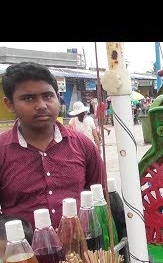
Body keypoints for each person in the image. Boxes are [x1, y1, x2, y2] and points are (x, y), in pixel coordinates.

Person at [0, 62, 104, 230]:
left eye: (48, 96)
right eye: (28, 98)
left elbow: (101, 198)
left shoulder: (83, 145)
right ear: (10, 104)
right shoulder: (2, 151)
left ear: (57, 96)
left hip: (83, 252)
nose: (41, 105)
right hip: (23, 255)